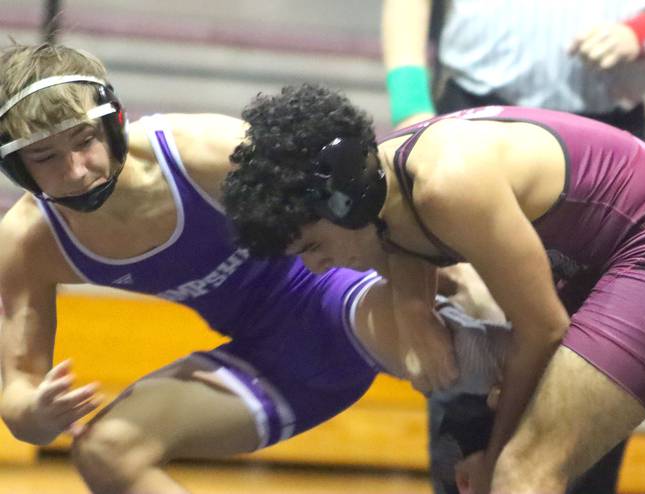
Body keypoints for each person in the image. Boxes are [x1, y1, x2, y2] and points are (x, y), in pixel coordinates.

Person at [222, 83, 645, 494]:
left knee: (522, 473)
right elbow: (461, 328)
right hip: (602, 262)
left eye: (312, 247)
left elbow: (544, 327)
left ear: (345, 204)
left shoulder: (448, 187)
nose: (318, 269)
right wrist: (416, 317)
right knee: (491, 388)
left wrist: (495, 450)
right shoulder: (385, 188)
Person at [0, 42, 487, 494]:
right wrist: (36, 417)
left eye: (84, 141)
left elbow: (382, 197)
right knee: (107, 452)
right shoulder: (28, 242)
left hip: (339, 293)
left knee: (482, 336)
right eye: (45, 157)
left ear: (113, 123)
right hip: (264, 361)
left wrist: (417, 305)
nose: (76, 170)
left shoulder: (202, 154)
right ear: (16, 166)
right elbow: (18, 392)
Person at [382, 2, 645, 490]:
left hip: (606, 144)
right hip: (475, 122)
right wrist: (410, 106)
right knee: (465, 354)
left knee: (596, 366)